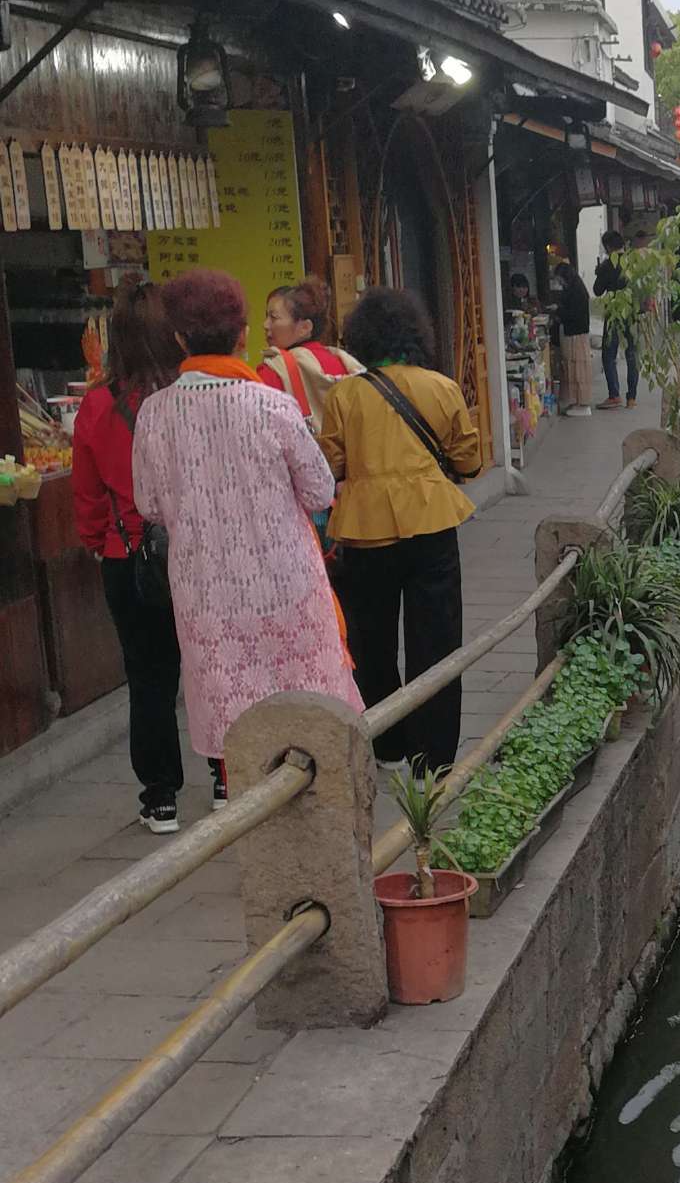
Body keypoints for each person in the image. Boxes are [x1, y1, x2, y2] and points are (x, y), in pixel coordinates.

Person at [132, 268, 358, 800]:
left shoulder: (155, 414)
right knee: (307, 712)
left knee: (238, 726)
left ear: (180, 338)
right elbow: (321, 490)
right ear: (240, 334)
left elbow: (148, 504)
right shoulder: (271, 405)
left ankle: (255, 834)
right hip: (286, 588)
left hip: (206, 596)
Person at [319, 287, 482, 773]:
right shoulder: (440, 387)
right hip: (431, 524)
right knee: (436, 639)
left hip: (365, 531)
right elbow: (469, 461)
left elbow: (331, 462)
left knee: (371, 641)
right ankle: (433, 756)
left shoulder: (345, 394)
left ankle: (386, 742)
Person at [71, 280, 186, 833]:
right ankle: (224, 777)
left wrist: (102, 542)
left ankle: (161, 796)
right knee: (211, 664)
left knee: (148, 678)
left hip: (128, 555)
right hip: (195, 549)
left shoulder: (96, 406)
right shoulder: (191, 395)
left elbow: (88, 495)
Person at [259, 277, 355, 430]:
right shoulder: (346, 364)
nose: (265, 325)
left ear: (305, 327)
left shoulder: (272, 372)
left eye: (273, 317)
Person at [594, 231, 640, 410]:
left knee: (609, 354)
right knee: (631, 354)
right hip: (631, 312)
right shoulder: (634, 262)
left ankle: (614, 395)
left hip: (613, 312)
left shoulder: (607, 265)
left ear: (608, 246)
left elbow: (597, 290)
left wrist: (599, 273)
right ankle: (632, 398)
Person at [552, 256, 594, 414]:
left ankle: (581, 404)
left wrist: (558, 310)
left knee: (577, 369)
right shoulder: (576, 287)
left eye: (559, 279)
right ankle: (577, 402)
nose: (559, 283)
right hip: (575, 333)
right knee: (573, 367)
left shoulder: (576, 291)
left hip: (576, 334)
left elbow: (573, 313)